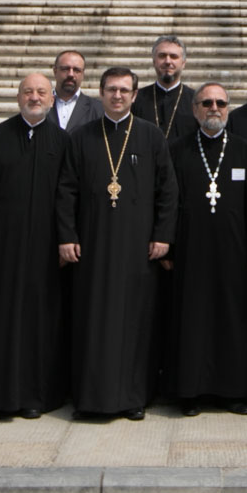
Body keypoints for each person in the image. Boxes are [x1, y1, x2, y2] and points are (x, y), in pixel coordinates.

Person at [57, 67, 178, 421]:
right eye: (111, 90)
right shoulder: (81, 137)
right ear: (101, 92)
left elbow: (168, 191)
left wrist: (163, 235)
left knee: (134, 323)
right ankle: (89, 398)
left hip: (137, 249)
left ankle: (133, 397)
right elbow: (66, 191)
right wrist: (66, 236)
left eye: (125, 90)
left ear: (135, 95)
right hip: (92, 249)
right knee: (91, 321)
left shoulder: (151, 136)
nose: (118, 96)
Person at [0, 71, 69, 421]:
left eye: (41, 92)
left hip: (44, 250)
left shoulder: (63, 141)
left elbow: (71, 197)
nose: (35, 97)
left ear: (52, 99)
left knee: (40, 324)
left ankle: (35, 396)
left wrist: (67, 240)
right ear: (18, 97)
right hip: (2, 250)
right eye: (28, 91)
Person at [163, 83, 247, 415]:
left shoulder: (244, 150)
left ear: (228, 108)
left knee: (233, 320)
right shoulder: (177, 150)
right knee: (192, 319)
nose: (214, 108)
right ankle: (191, 392)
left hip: (234, 254)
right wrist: (169, 247)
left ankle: (232, 391)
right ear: (194, 109)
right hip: (191, 252)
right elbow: (167, 202)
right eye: (206, 102)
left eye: (220, 102)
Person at [134, 36, 197, 142]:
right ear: (154, 61)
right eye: (162, 56)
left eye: (174, 56)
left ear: (183, 63)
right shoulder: (136, 98)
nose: (168, 61)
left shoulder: (197, 100)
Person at [50, 49, 101, 133]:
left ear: (83, 74)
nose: (71, 74)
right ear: (55, 71)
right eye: (65, 69)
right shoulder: (40, 105)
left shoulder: (97, 109)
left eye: (76, 70)